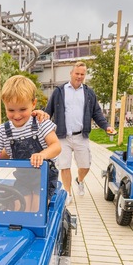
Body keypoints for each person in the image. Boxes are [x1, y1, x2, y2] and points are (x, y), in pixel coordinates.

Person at [0, 75, 61, 212]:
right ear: (5, 105)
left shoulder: (40, 123)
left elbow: (56, 146)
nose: (17, 115)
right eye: (11, 110)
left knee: (36, 210)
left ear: (33, 104)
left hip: (44, 176)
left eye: (22, 109)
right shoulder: (4, 129)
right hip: (23, 178)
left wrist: (42, 154)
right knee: (21, 208)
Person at [45, 61, 116, 202]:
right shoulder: (59, 91)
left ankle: (80, 179)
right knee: (64, 166)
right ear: (71, 73)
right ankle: (68, 194)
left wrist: (106, 126)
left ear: (85, 76)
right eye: (77, 73)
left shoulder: (89, 93)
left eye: (82, 74)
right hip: (62, 136)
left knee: (85, 166)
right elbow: (48, 111)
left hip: (81, 136)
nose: (79, 76)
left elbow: (97, 113)